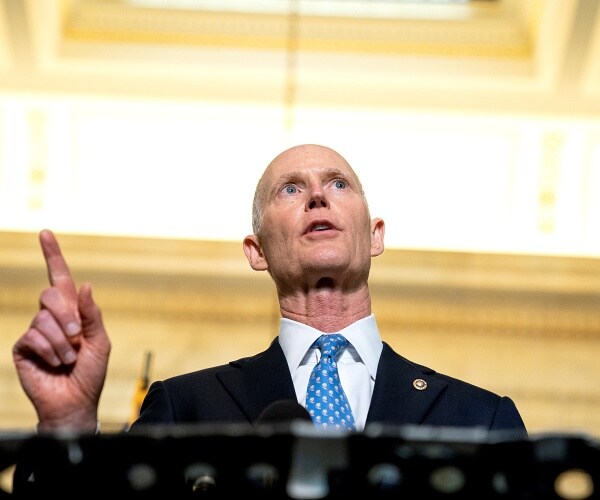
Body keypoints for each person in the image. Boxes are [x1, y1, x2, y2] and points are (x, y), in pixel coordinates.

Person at [12, 143, 526, 437]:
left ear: (375, 236)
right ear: (256, 251)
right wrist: (68, 425)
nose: (318, 196)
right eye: (291, 188)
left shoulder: (478, 417)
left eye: (339, 184)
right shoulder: (186, 407)